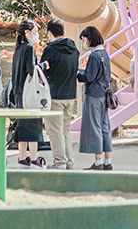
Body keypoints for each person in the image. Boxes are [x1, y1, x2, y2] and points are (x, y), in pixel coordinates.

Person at [40, 18, 78, 169]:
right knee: (65, 130)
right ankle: (69, 161)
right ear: (63, 31)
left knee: (54, 131)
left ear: (50, 33)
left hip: (55, 95)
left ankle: (60, 162)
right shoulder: (74, 49)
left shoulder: (50, 50)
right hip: (70, 95)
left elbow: (41, 72)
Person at [77, 25, 112, 170]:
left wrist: (78, 74)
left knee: (94, 127)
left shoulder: (94, 56)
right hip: (104, 93)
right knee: (104, 127)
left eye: (84, 39)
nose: (84, 43)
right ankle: (107, 161)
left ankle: (98, 162)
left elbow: (89, 77)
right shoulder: (104, 53)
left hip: (93, 94)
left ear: (90, 39)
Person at [11, 19, 44, 168]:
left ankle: (22, 158)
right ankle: (35, 159)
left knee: (22, 126)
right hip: (28, 93)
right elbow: (32, 70)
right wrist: (43, 65)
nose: (37, 35)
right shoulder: (29, 48)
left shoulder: (17, 49)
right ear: (27, 32)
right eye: (35, 31)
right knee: (33, 125)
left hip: (18, 93)